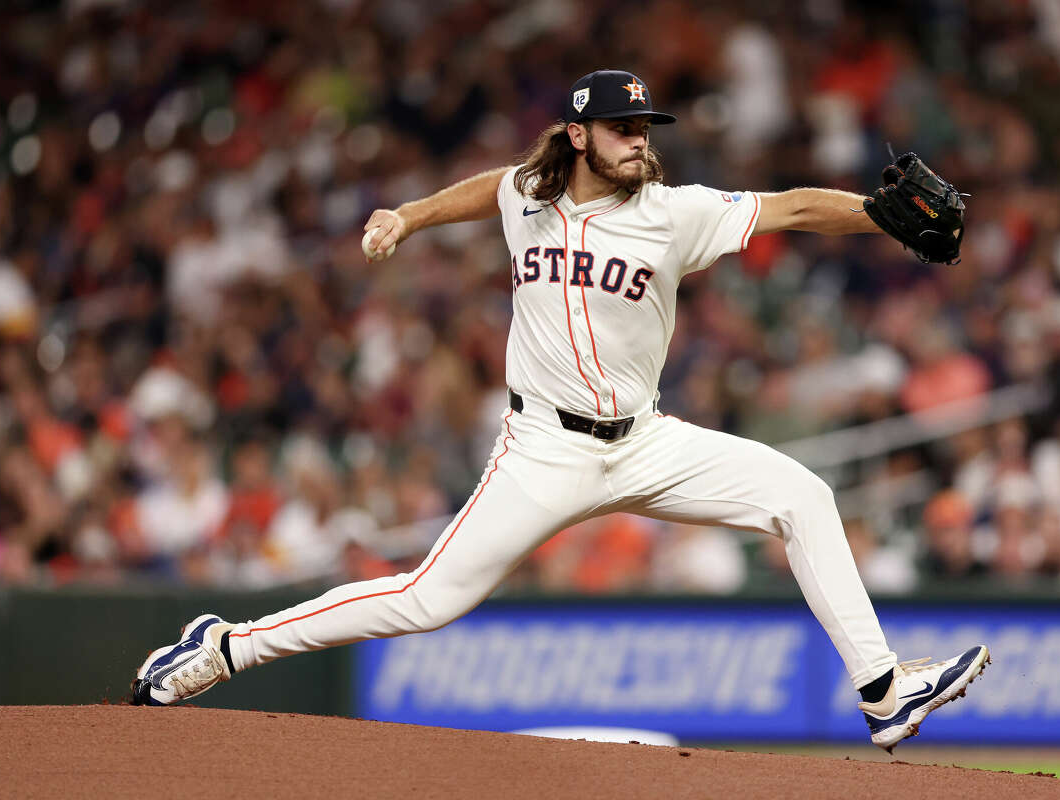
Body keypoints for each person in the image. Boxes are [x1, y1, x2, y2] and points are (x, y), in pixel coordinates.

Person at [132, 70, 989, 752]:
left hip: (646, 439)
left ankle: (882, 690)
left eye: (646, 128)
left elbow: (790, 208)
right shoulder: (528, 197)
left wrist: (880, 220)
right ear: (579, 134)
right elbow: (490, 188)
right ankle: (225, 645)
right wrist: (412, 217)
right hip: (543, 447)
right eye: (623, 128)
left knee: (802, 494)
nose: (638, 141)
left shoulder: (673, 212)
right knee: (426, 600)